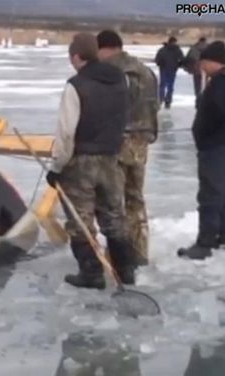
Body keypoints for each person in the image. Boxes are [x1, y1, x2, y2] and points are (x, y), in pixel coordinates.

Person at [46, 33, 137, 289]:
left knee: (80, 220)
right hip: (111, 158)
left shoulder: (76, 85)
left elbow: (66, 133)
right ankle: (125, 270)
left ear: (76, 56)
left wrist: (56, 167)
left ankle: (92, 274)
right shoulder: (120, 79)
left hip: (80, 163)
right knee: (114, 216)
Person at [97, 30, 159, 266]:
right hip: (141, 142)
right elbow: (155, 104)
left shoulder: (112, 73)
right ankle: (140, 251)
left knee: (114, 202)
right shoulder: (145, 71)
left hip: (118, 143)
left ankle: (121, 257)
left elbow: (105, 110)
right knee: (135, 198)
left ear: (103, 48)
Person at [178, 41, 225, 260]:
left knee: (210, 194)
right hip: (215, 145)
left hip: (215, 147)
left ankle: (205, 242)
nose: (202, 66)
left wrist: (205, 133)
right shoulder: (218, 82)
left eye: (204, 61)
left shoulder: (220, 85)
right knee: (220, 192)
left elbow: (216, 113)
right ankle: (221, 236)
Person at [154, 36, 185, 109]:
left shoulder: (163, 49)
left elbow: (157, 59)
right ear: (174, 42)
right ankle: (168, 101)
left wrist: (160, 64)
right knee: (170, 86)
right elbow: (182, 59)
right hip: (172, 69)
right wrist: (178, 65)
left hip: (164, 69)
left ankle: (161, 99)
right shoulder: (177, 50)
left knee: (163, 85)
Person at [184, 37, 209, 106]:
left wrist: (188, 69)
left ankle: (198, 99)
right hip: (207, 69)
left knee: (197, 86)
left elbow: (188, 59)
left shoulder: (194, 48)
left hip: (196, 69)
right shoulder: (209, 48)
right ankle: (205, 100)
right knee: (206, 84)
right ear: (205, 41)